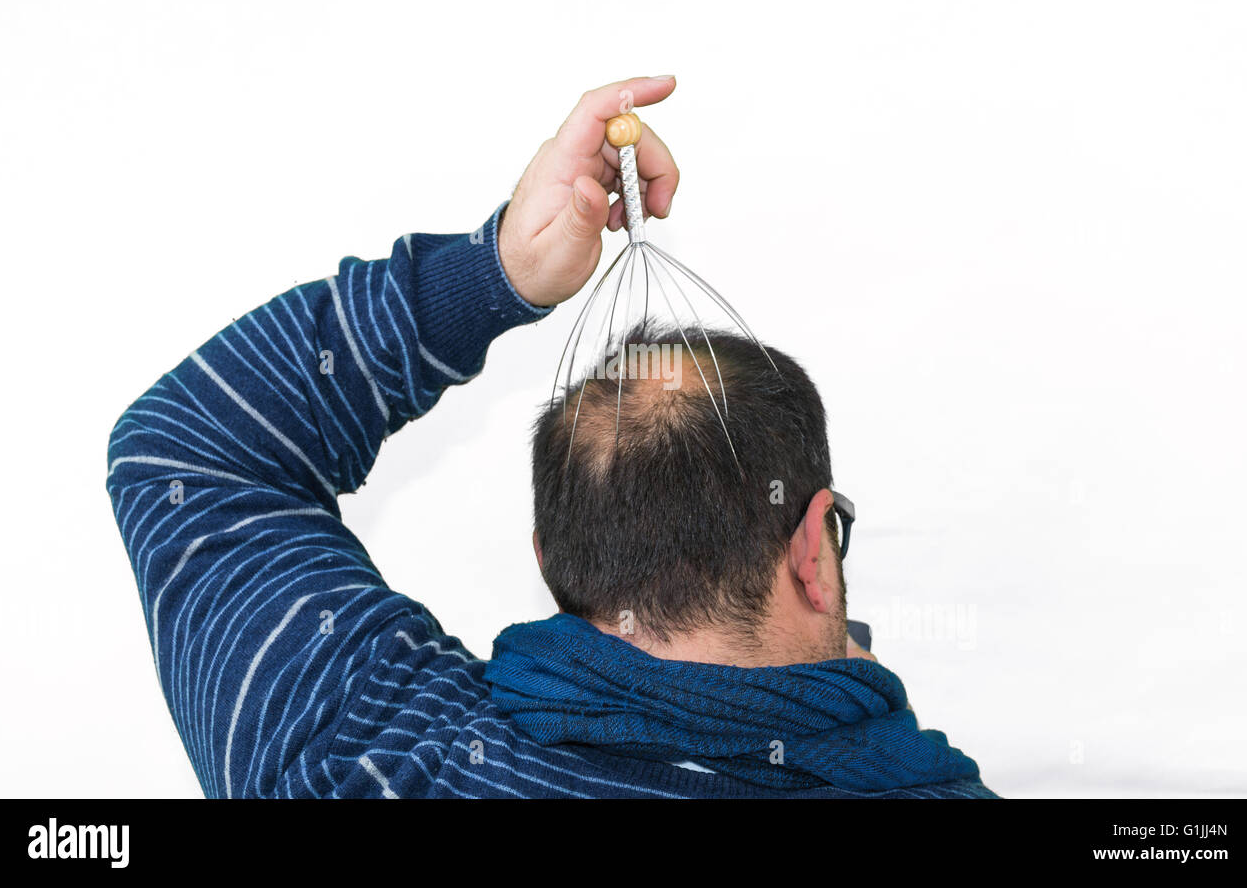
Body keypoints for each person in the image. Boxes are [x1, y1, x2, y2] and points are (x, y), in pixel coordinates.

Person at [106, 77, 996, 798]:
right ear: (812, 548)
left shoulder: (377, 764)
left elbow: (190, 448)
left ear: (548, 557)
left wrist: (496, 271)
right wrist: (829, 712)